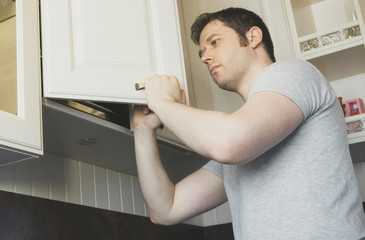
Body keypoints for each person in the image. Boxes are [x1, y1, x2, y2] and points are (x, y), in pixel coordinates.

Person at [132, 7, 365, 239]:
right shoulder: (242, 137)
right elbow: (166, 209)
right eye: (202, 52)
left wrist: (163, 102)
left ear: (253, 37)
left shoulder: (295, 72)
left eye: (214, 42)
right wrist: (143, 130)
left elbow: (229, 143)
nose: (205, 57)